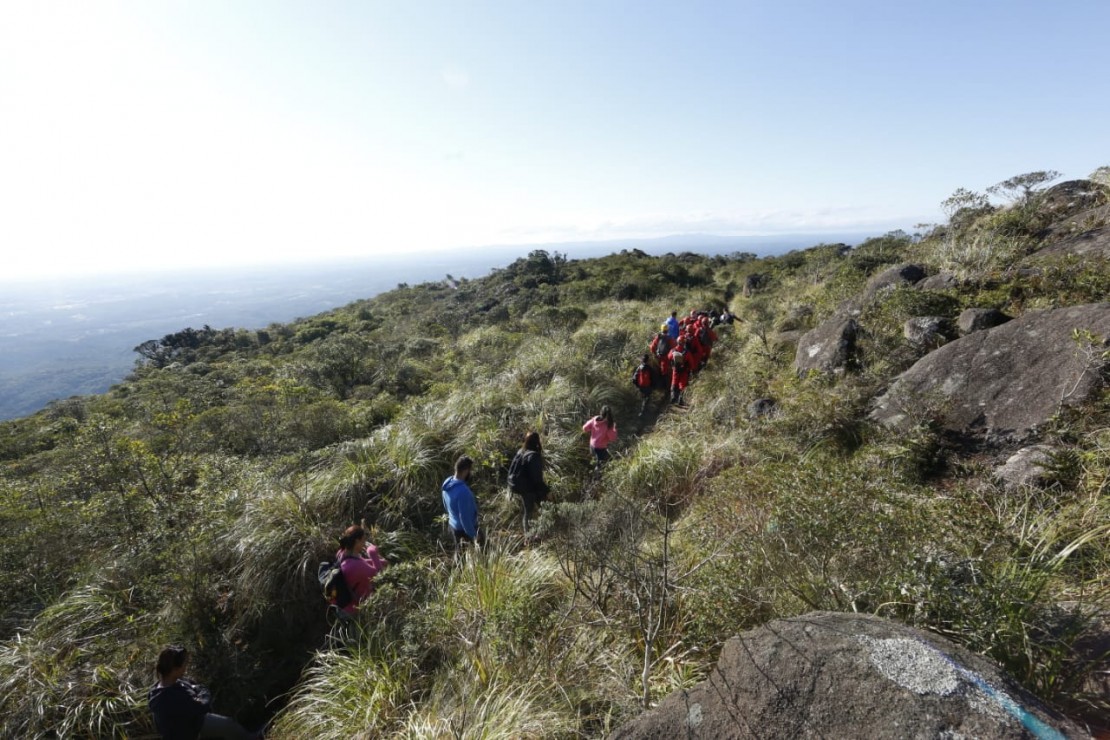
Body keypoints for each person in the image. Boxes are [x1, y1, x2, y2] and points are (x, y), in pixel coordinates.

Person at [148, 646, 257, 740]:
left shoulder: (168, 683)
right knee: (228, 725)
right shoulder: (169, 697)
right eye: (185, 664)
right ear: (175, 669)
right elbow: (202, 706)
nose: (186, 667)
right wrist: (203, 694)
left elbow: (195, 686)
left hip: (192, 721)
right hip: (190, 729)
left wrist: (198, 693)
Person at [336, 525, 386, 615]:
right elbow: (380, 575)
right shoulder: (357, 566)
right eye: (363, 540)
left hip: (343, 607)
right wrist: (372, 553)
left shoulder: (341, 553)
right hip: (355, 611)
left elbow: (361, 561)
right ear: (357, 541)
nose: (364, 543)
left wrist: (381, 561)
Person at [507, 431, 550, 531]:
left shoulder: (520, 452)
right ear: (537, 442)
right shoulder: (534, 456)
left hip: (517, 485)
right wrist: (547, 491)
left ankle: (530, 534)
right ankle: (538, 533)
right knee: (538, 508)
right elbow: (537, 479)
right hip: (528, 487)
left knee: (529, 510)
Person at [442, 455, 483, 551]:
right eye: (470, 470)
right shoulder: (463, 492)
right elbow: (464, 517)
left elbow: (445, 504)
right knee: (484, 549)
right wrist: (473, 535)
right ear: (466, 471)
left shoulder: (447, 483)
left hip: (452, 525)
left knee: (460, 555)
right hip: (463, 530)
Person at [582, 405, 618, 471]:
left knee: (596, 459)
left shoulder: (594, 419)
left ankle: (594, 470)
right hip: (600, 448)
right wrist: (614, 428)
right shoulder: (609, 425)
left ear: (601, 412)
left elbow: (584, 428)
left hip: (592, 445)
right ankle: (597, 477)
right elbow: (613, 438)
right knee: (601, 464)